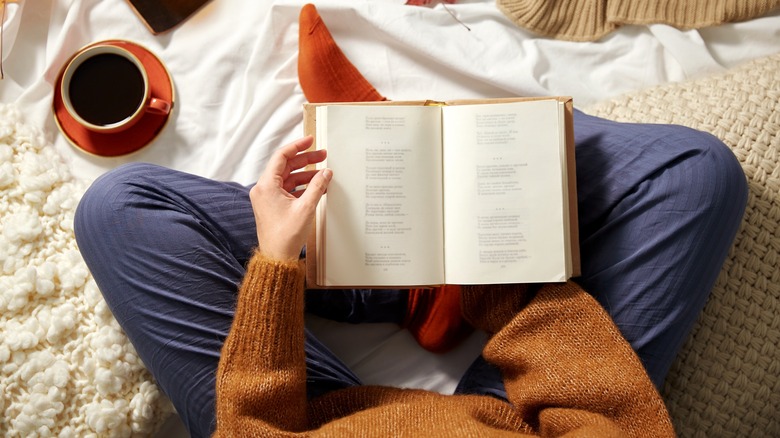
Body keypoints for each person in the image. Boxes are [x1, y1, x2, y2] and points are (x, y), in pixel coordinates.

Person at [73, 4, 747, 437]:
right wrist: (504, 276)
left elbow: (252, 426)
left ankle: (408, 250)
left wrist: (277, 268)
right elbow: (606, 417)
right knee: (694, 174)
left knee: (119, 210)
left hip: (313, 423)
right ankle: (441, 259)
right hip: (509, 419)